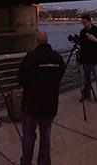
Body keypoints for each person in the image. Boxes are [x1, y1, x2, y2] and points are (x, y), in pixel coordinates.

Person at [18, 30, 66, 165]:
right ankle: (44, 162)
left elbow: (21, 79)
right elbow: (60, 75)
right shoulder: (57, 58)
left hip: (31, 105)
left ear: (36, 41)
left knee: (28, 136)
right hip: (50, 105)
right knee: (46, 136)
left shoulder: (30, 58)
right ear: (47, 41)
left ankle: (26, 161)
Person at [77, 15, 97, 103]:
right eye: (82, 22)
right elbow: (81, 44)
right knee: (86, 79)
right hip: (85, 59)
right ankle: (86, 95)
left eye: (85, 22)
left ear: (89, 21)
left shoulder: (96, 30)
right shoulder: (82, 32)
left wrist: (94, 39)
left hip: (95, 59)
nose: (83, 24)